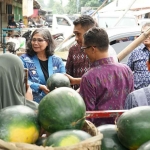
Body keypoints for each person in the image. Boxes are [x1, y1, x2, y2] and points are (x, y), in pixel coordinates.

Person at [68, 27, 134, 126]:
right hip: (125, 129)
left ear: (93, 49)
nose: (84, 52)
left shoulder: (89, 77)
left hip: (101, 133)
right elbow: (131, 102)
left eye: (84, 49)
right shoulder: (126, 70)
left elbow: (88, 116)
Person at [66, 15, 118, 90]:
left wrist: (77, 81)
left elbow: (109, 78)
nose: (75, 38)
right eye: (75, 34)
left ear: (89, 33)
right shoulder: (73, 49)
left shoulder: (106, 50)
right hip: (78, 99)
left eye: (78, 34)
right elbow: (68, 78)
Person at [20, 29, 66, 103]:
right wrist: (39, 86)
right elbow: (21, 80)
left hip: (55, 102)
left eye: (40, 40)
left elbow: (63, 79)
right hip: (32, 103)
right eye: (33, 40)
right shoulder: (24, 59)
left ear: (47, 42)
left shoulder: (57, 61)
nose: (35, 43)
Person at [127, 22, 150, 90]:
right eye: (143, 34)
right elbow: (127, 72)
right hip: (139, 95)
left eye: (148, 34)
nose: (146, 37)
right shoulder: (135, 52)